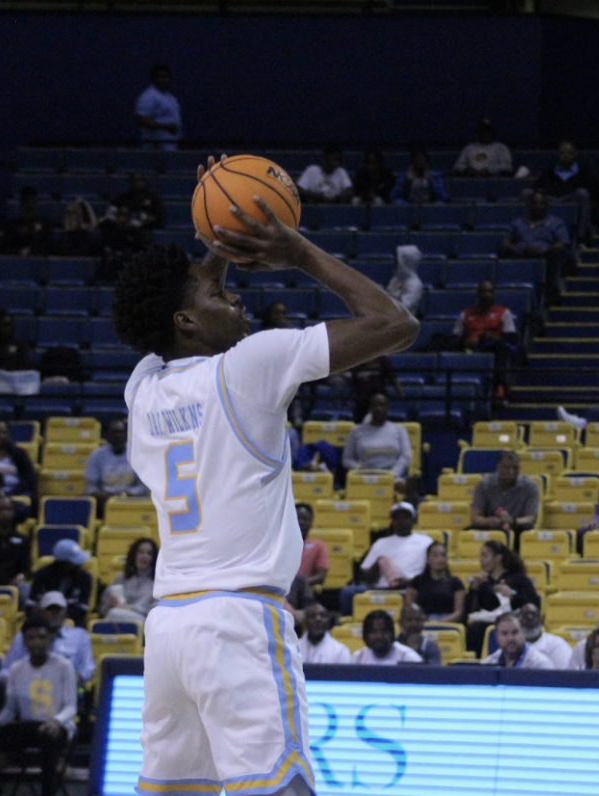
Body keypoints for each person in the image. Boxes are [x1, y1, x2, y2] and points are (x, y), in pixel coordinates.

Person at [112, 160, 413, 796]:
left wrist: (215, 254)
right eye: (221, 298)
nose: (235, 297)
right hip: (239, 617)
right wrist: (296, 251)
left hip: (169, 629)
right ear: (189, 324)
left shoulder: (142, 391)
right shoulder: (247, 366)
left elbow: (175, 316)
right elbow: (394, 323)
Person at [0, 615, 78, 796]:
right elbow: (10, 708)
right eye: (31, 638)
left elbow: (71, 707)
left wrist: (56, 721)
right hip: (28, 725)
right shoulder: (16, 668)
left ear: (50, 639)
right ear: (24, 641)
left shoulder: (64, 666)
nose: (37, 642)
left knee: (49, 739)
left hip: (57, 726)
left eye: (42, 637)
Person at [339, 502, 433, 616]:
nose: (401, 521)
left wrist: (409, 582)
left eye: (405, 517)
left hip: (411, 587)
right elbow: (366, 575)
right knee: (348, 592)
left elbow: (431, 571)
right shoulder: (381, 543)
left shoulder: (426, 542)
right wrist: (377, 564)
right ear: (392, 521)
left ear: (413, 519)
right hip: (379, 588)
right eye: (397, 518)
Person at [499, 190, 576, 303]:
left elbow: (562, 243)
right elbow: (506, 242)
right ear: (529, 205)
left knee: (556, 254)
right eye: (535, 202)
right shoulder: (517, 222)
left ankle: (549, 291)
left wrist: (542, 251)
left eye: (541, 203)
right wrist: (522, 251)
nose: (538, 206)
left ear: (546, 205)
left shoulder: (556, 222)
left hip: (544, 256)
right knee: (502, 250)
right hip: (521, 255)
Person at [464, 540, 540, 653]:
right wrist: (474, 590)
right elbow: (470, 611)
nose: (481, 560)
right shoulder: (483, 582)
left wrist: (512, 595)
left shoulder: (519, 579)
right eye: (481, 556)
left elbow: (534, 604)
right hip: (485, 625)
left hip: (514, 623)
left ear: (498, 558)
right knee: (474, 629)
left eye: (485, 556)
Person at [2, 594, 96, 684]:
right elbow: (5, 671)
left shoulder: (80, 635)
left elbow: (88, 667)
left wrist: (74, 679)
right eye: (50, 610)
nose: (54, 614)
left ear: (65, 613)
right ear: (40, 612)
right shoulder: (23, 636)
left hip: (67, 686)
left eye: (58, 610)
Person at [533, 140, 599, 244]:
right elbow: (539, 187)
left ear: (575, 154)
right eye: (562, 153)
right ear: (558, 154)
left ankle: (581, 236)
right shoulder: (549, 172)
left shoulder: (584, 172)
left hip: (571, 199)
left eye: (569, 153)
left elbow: (595, 192)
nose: (565, 155)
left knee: (583, 194)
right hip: (551, 200)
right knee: (528, 194)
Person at [84, 417, 149, 514]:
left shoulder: (138, 454)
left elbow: (144, 486)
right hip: (105, 501)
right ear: (107, 436)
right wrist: (103, 495)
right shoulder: (96, 455)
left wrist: (127, 494)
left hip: (132, 501)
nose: (118, 436)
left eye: (121, 432)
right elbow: (90, 486)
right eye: (114, 433)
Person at [468, 451, 540, 538]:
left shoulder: (530, 486)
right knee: (470, 531)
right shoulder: (484, 484)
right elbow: (475, 516)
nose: (511, 471)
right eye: (506, 467)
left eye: (515, 468)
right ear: (498, 467)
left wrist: (512, 521)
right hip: (491, 526)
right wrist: (488, 521)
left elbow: (530, 518)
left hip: (516, 525)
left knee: (527, 529)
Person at [341, 392, 411, 478]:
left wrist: (393, 474)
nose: (378, 408)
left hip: (393, 476)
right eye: (375, 405)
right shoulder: (356, 431)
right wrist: (360, 469)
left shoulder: (399, 430)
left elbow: (406, 456)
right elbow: (347, 459)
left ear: (388, 408)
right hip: (364, 477)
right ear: (370, 408)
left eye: (382, 405)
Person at [27, 539, 93, 627]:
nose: (79, 565)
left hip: (73, 623)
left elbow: (82, 608)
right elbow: (31, 606)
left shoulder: (85, 577)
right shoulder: (42, 575)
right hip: (42, 622)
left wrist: (59, 616)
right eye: (74, 562)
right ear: (63, 564)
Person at [98, 537, 158, 625]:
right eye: (140, 552)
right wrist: (109, 603)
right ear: (134, 555)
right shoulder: (120, 578)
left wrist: (128, 608)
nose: (144, 557)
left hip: (144, 621)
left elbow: (156, 611)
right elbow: (103, 610)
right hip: (115, 615)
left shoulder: (158, 582)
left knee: (114, 614)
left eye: (149, 554)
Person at [405, 541, 465, 622]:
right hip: (422, 622)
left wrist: (439, 622)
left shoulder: (456, 583)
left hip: (447, 623)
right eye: (435, 555)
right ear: (428, 560)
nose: (440, 559)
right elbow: (410, 606)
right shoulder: (417, 582)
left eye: (443, 555)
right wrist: (423, 620)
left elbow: (458, 612)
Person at [481, 611, 555, 669]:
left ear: (523, 632)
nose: (510, 638)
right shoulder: (490, 663)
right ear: (497, 636)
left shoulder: (541, 665)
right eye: (504, 633)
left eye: (515, 632)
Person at [134, 64, 181, 150]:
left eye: (167, 77)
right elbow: (141, 119)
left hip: (171, 146)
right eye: (161, 77)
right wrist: (165, 126)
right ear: (153, 78)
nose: (164, 79)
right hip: (155, 148)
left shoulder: (170, 97)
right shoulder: (148, 96)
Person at [351, 610, 423, 666]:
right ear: (366, 635)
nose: (379, 636)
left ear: (391, 633)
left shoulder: (408, 657)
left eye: (383, 631)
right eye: (374, 631)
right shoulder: (358, 657)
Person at [517, 602, 572, 669]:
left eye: (534, 614)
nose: (529, 618)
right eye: (525, 615)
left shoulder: (557, 645)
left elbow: (565, 676)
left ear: (542, 620)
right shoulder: (510, 645)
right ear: (517, 621)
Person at [0, 186, 53, 256]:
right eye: (26, 202)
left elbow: (50, 246)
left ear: (36, 203)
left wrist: (32, 251)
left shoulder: (45, 224)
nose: (30, 205)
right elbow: (3, 248)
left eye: (33, 202)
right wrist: (19, 251)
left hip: (38, 263)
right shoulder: (12, 226)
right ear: (21, 204)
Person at [295, 503, 329, 588]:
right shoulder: (280, 544)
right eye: (298, 518)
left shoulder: (319, 546)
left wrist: (298, 585)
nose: (301, 522)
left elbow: (321, 576)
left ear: (311, 522)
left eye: (305, 519)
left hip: (303, 591)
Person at [385, 244, 424, 314]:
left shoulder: (415, 285)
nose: (395, 262)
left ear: (405, 262)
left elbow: (402, 308)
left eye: (397, 260)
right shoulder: (396, 279)